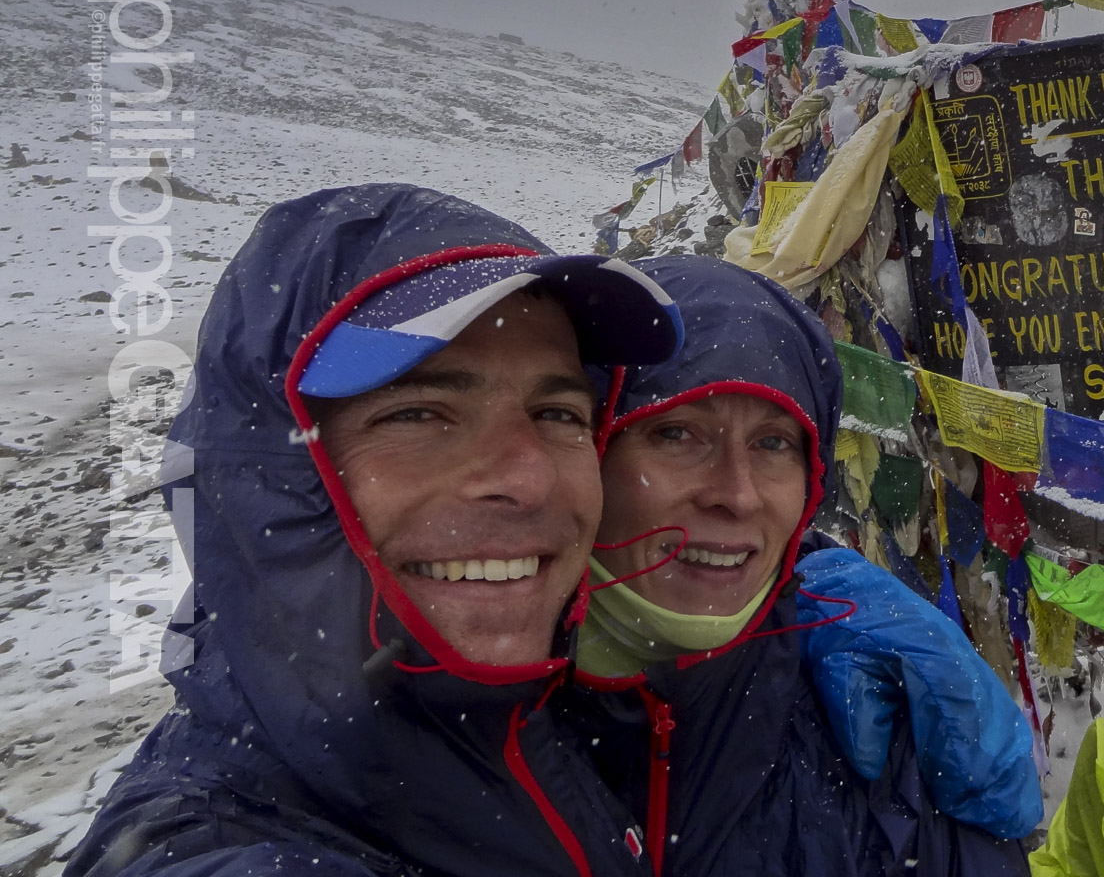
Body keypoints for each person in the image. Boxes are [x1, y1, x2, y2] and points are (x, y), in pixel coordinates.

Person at [69, 184, 1029, 877]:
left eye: (556, 413)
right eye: (418, 413)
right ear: (270, 477)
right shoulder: (223, 828)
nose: (524, 476)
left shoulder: (826, 702)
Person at [565, 254, 1041, 877]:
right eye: (677, 433)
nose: (738, 494)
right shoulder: (468, 713)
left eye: (773, 443)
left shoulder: (868, 731)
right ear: (588, 450)